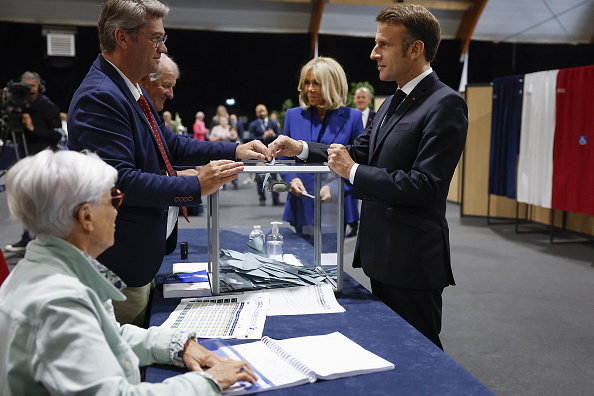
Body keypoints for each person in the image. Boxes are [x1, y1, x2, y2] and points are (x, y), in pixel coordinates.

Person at [268, 4, 468, 349]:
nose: (374, 53)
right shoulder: (390, 102)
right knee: (390, 346)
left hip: (412, 258)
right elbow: (354, 151)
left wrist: (353, 172)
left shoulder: (445, 103)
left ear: (415, 49)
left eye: (383, 45)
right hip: (381, 254)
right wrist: (299, 148)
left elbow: (426, 185)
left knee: (419, 351)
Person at [67, 0, 268, 327]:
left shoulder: (129, 86)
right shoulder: (101, 95)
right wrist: (196, 186)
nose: (162, 48)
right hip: (117, 266)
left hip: (136, 258)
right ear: (122, 38)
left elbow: (169, 144)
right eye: (156, 38)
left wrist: (235, 150)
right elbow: (123, 182)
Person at [0, 149, 257, 394]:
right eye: (113, 199)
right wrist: (209, 382)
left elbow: (107, 334)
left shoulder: (51, 270)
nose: (117, 209)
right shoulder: (59, 303)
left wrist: (176, 346)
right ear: (86, 217)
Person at [280, 57, 364, 235]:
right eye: (307, 82)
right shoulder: (292, 115)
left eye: (316, 83)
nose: (309, 89)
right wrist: (292, 179)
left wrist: (334, 188)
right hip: (301, 201)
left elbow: (360, 163)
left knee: (331, 261)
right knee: (302, 259)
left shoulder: (353, 117)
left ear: (333, 84)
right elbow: (283, 158)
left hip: (336, 202)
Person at [4, 71, 63, 253]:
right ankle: (26, 238)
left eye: (32, 87)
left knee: (45, 204)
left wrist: (32, 128)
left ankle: (48, 243)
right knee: (26, 200)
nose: (28, 91)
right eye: (25, 87)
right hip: (24, 160)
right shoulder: (17, 107)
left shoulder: (48, 108)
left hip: (44, 163)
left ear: (40, 87)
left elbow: (57, 136)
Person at [249, 104, 280, 206]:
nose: (261, 113)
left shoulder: (273, 123)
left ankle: (276, 199)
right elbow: (251, 139)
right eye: (259, 111)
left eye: (263, 111)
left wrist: (273, 135)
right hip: (259, 156)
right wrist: (263, 136)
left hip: (272, 155)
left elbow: (280, 137)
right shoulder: (253, 124)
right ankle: (262, 199)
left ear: (266, 111)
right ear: (256, 113)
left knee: (274, 179)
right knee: (260, 178)